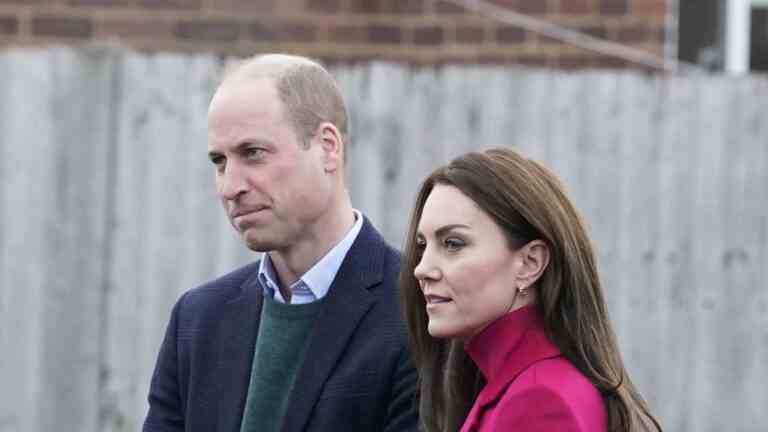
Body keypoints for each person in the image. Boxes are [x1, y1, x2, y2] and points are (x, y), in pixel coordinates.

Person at [144, 54, 417, 432]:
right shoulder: (197, 319)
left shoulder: (419, 311)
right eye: (219, 162)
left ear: (327, 147)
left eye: (253, 153)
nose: (230, 187)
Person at [399, 148, 663, 432]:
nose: (422, 268)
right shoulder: (520, 383)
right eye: (423, 246)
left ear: (530, 263)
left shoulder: (538, 399)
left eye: (453, 243)